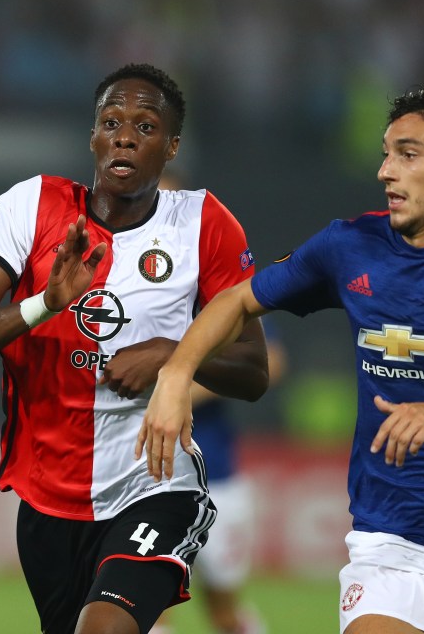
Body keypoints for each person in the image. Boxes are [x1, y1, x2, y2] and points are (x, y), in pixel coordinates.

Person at [140, 82, 424, 634]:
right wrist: (175, 375)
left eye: (408, 154)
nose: (385, 171)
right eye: (386, 153)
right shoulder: (348, 246)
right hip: (394, 545)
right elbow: (238, 300)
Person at [0, 63, 269, 634]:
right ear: (92, 136)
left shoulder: (204, 225)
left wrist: (172, 354)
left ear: (171, 147)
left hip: (156, 486)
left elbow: (254, 369)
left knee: (105, 628)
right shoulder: (30, 206)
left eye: (145, 126)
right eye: (112, 122)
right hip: (48, 500)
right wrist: (45, 302)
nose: (125, 136)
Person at [150, 172, 287, 634]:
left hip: (215, 476)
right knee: (143, 607)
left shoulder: (213, 281)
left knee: (224, 612)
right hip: (145, 477)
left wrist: (176, 385)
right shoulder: (123, 282)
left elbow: (273, 360)